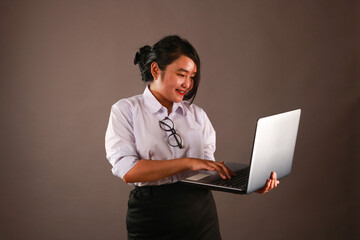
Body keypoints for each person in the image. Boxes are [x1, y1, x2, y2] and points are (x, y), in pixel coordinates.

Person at [105, 35, 279, 240]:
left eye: (193, 76)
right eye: (181, 74)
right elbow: (128, 171)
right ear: (155, 70)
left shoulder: (197, 115)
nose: (188, 84)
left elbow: (206, 170)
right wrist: (188, 162)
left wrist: (246, 186)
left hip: (201, 216)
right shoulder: (125, 110)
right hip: (152, 218)